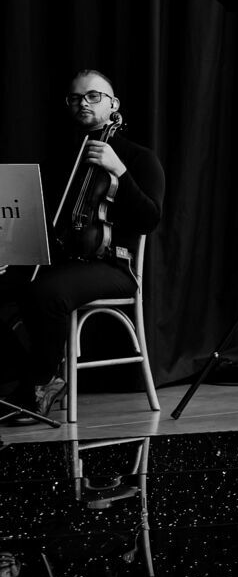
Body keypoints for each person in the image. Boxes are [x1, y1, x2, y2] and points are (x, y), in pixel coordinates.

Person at [0, 70, 166, 418]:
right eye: (75, 98)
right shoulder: (65, 156)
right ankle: (28, 375)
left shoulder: (138, 158)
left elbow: (150, 219)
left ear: (113, 104)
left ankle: (39, 384)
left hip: (112, 265)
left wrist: (119, 171)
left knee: (46, 292)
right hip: (62, 258)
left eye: (93, 96)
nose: (83, 103)